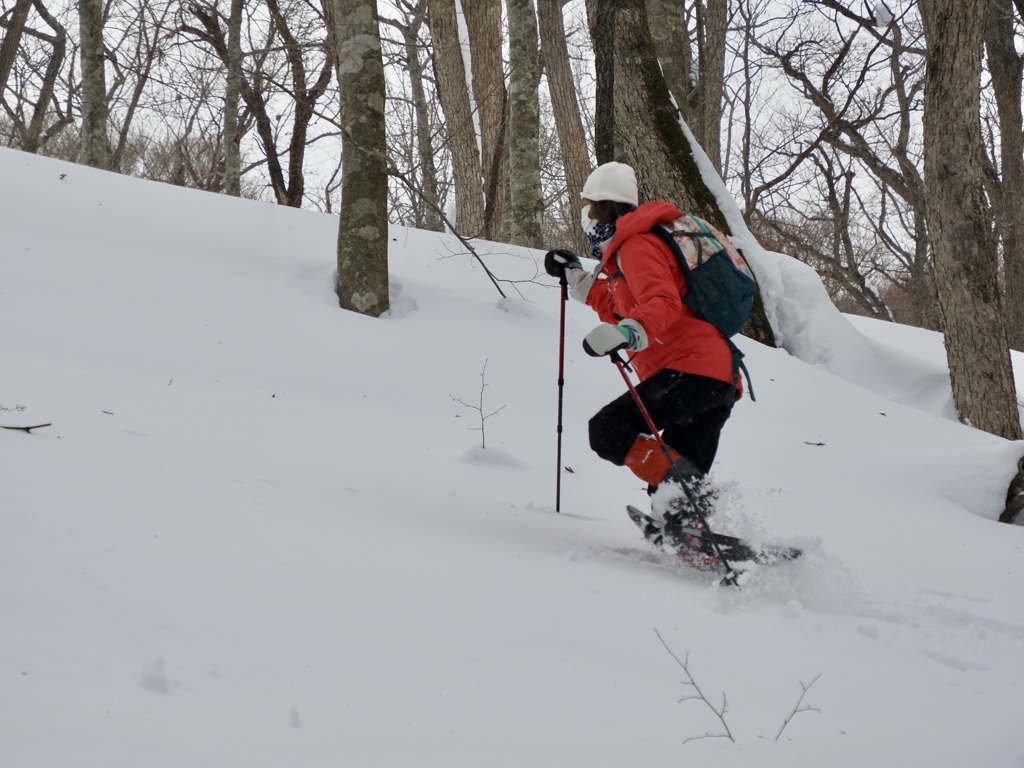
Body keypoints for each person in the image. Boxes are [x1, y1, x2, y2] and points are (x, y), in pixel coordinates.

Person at [544, 161, 742, 555]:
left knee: (608, 430)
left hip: (691, 371)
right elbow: (623, 307)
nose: (585, 215)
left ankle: (687, 492)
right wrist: (578, 281)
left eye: (587, 206)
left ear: (602, 207)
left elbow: (661, 303)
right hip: (715, 378)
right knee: (671, 496)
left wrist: (629, 333)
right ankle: (693, 535)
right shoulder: (628, 252)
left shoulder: (636, 244)